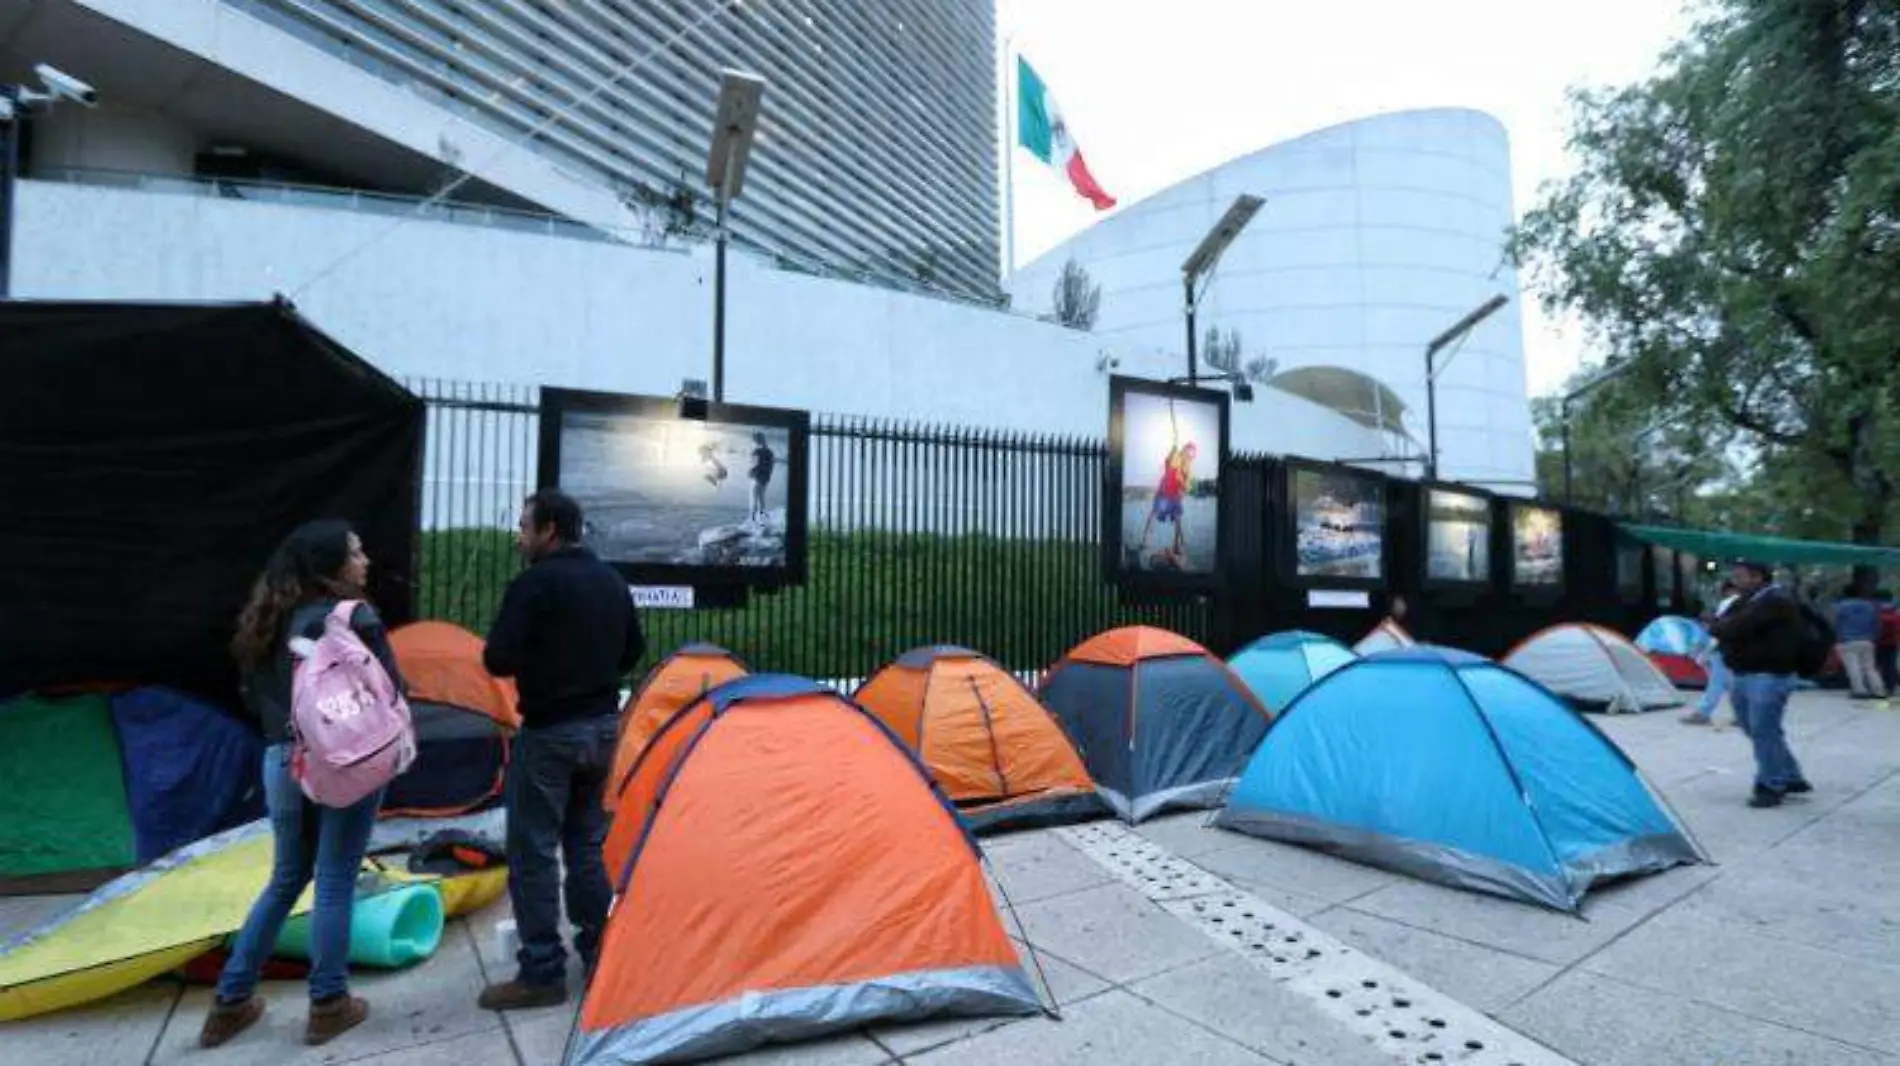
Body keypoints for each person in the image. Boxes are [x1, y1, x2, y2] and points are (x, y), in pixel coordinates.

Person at [200, 521, 405, 1048]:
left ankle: (229, 1002)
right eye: (356, 553)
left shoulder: (266, 622)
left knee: (287, 877)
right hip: (343, 761)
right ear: (331, 566)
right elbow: (391, 690)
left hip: (282, 758)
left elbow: (254, 697)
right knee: (336, 877)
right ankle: (329, 1004)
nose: (365, 561)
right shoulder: (352, 617)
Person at [478, 489, 646, 1009]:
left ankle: (542, 971)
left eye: (526, 527)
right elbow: (634, 650)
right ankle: (601, 955)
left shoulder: (534, 584)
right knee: (587, 845)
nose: (519, 537)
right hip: (602, 730)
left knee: (533, 853)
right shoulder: (610, 579)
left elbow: (498, 659)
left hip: (550, 733)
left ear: (550, 529)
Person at [1709, 560, 1812, 808]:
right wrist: (1721, 626)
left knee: (1763, 729)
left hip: (1769, 675)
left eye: (1740, 576)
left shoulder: (1775, 601)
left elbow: (1733, 626)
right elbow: (1719, 624)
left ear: (1758, 577)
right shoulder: (1744, 601)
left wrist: (1721, 627)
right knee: (1754, 727)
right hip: (1743, 673)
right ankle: (1791, 775)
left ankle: (1770, 785)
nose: (1735, 581)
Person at [1682, 580, 1739, 726]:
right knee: (1730, 681)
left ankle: (1703, 712)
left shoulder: (1728, 603)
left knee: (1717, 681)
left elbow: (1719, 628)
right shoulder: (1748, 602)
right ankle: (1742, 713)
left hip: (1722, 647)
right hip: (1735, 648)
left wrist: (1708, 649)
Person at [1136, 440, 1196, 568]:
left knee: (1177, 519)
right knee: (1154, 514)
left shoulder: (1188, 468)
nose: (1189, 455)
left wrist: (1183, 483)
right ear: (1184, 450)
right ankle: (1145, 540)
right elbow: (1168, 463)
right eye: (1187, 451)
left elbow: (1187, 486)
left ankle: (1178, 544)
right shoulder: (1176, 456)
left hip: (1175, 495)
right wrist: (1172, 451)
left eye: (1191, 454)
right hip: (1164, 492)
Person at [1832, 581, 1888, 700]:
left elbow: (1837, 624)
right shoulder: (1870, 606)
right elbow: (1876, 624)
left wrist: (1837, 637)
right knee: (1870, 667)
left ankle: (1859, 689)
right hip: (1867, 640)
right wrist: (1875, 636)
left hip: (1847, 641)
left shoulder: (1841, 606)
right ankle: (1878, 689)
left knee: (1853, 666)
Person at [748, 432, 775, 522]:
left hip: (758, 477)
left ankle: (754, 519)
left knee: (755, 498)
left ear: (756, 441)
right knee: (761, 498)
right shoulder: (769, 452)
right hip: (765, 478)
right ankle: (761, 518)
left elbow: (753, 466)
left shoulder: (756, 451)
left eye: (755, 440)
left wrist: (751, 473)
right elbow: (771, 467)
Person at [1878, 590, 1900, 693]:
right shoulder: (1895, 612)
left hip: (1881, 642)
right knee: (1891, 664)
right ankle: (1892, 685)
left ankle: (1886, 685)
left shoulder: (1878, 611)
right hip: (1894, 642)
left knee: (1883, 664)